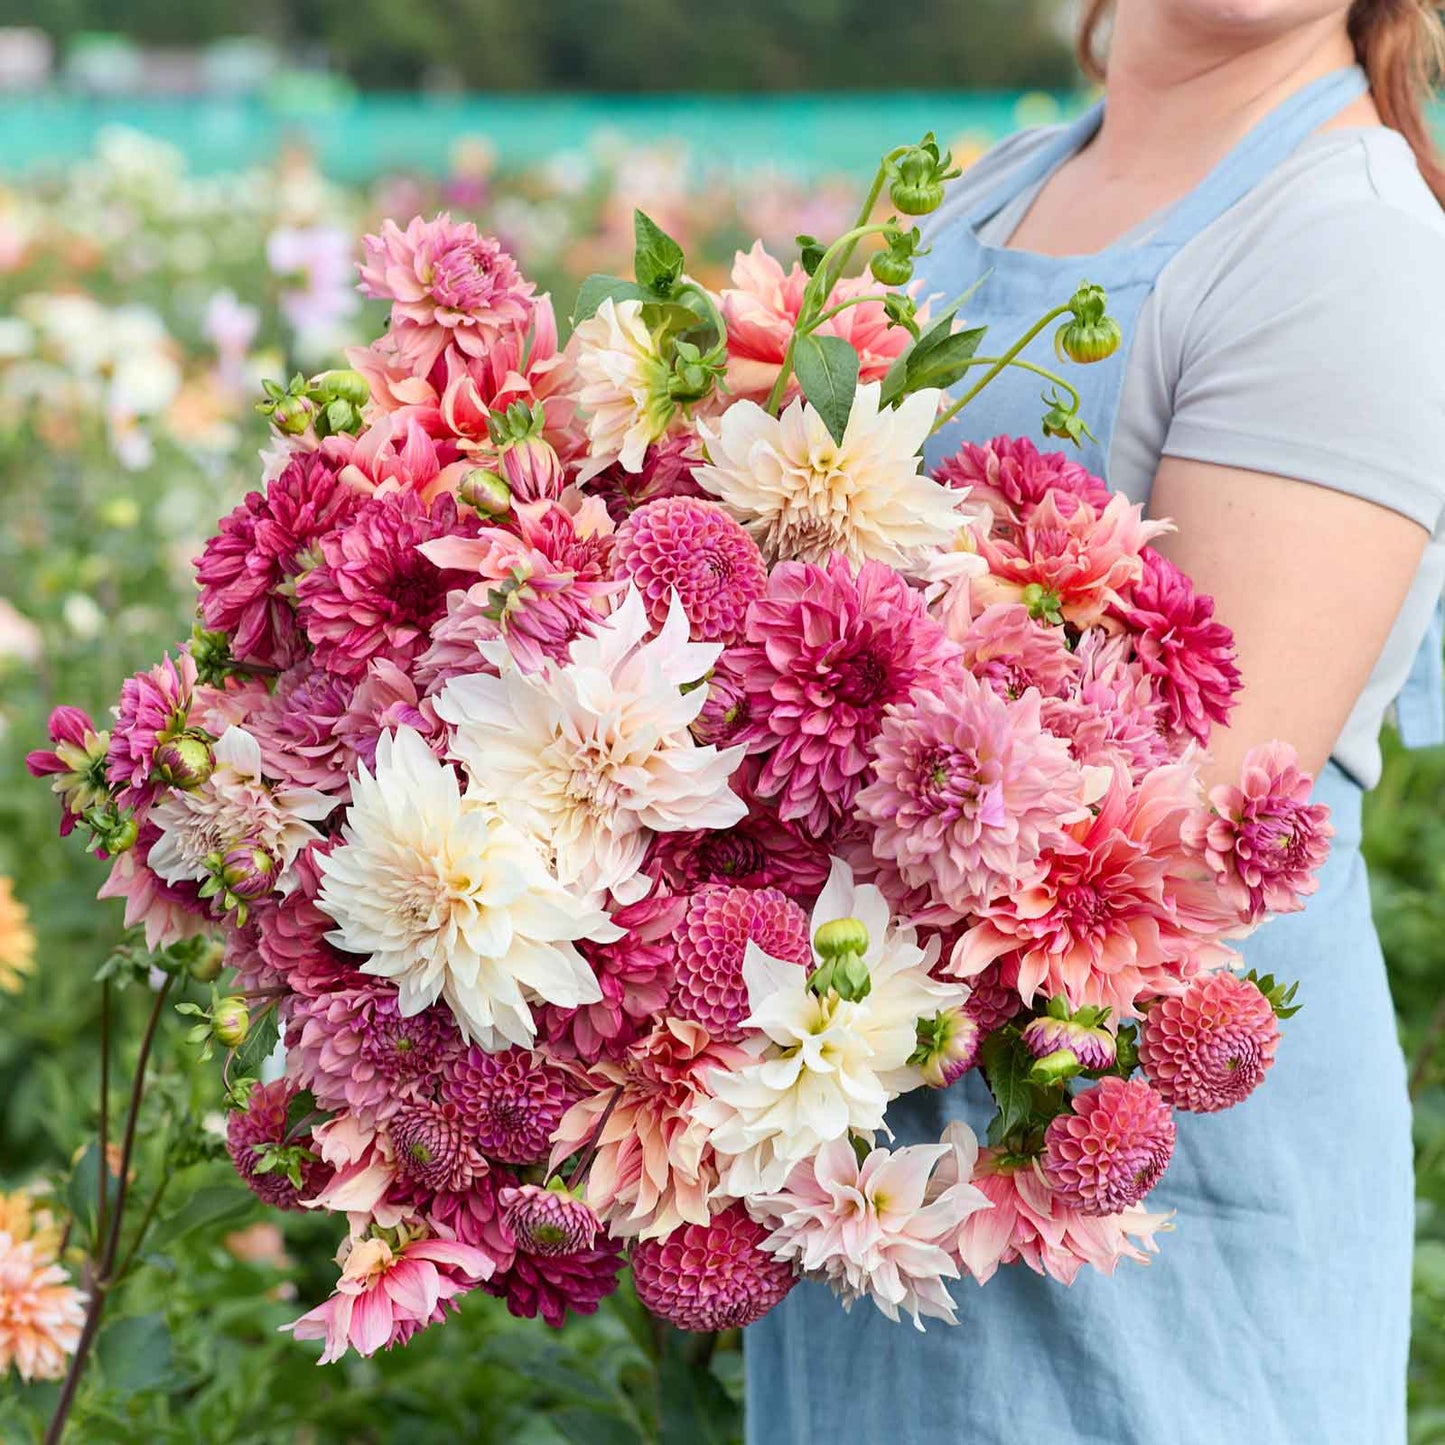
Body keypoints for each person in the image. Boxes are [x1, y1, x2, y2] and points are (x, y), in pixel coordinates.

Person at [745, 3, 1445, 1441]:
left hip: (1130, 1188)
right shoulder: (994, 187)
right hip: (870, 1151)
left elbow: (1179, 839)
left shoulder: (1345, 244)